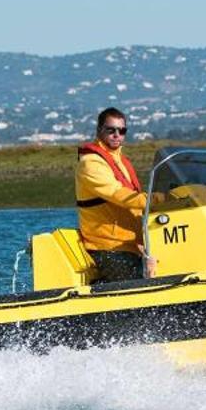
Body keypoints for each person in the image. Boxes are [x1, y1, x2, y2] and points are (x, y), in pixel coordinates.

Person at [75, 107, 148, 282]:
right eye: (111, 130)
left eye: (122, 131)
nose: (117, 135)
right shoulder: (90, 163)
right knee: (136, 284)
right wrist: (152, 200)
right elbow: (116, 193)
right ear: (99, 130)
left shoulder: (121, 161)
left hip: (130, 245)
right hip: (107, 246)